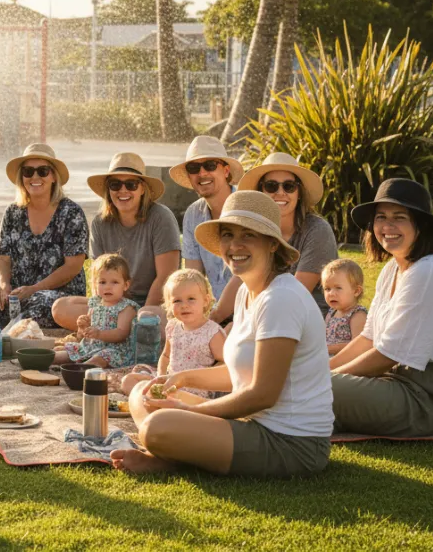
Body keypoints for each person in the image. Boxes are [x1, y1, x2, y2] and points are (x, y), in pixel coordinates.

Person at [112, 191, 333, 477]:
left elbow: (263, 395)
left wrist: (186, 411)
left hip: (290, 442)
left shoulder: (281, 299)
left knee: (157, 426)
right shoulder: (246, 291)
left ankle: (168, 458)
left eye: (248, 235)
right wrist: (182, 378)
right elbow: (240, 375)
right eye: (227, 234)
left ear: (271, 244)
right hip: (251, 423)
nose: (234, 245)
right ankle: (173, 451)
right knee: (142, 392)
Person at [330, 178, 433, 437]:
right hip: (395, 382)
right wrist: (325, 368)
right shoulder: (392, 269)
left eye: (399, 217)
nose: (387, 226)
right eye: (380, 217)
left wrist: (324, 379)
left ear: (419, 226)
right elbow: (368, 338)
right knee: (312, 379)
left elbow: (388, 355)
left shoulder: (429, 271)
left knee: (318, 389)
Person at [0, 144, 88, 328]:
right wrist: (4, 286)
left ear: (53, 177)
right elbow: (1, 259)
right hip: (16, 290)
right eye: (28, 171)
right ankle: (9, 326)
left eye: (43, 171)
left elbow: (73, 267)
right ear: (22, 178)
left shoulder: (71, 213)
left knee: (41, 306)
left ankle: (9, 327)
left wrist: (35, 289)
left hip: (56, 292)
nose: (35, 177)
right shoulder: (13, 212)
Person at [52, 152, 180, 331]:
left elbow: (166, 277)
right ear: (108, 190)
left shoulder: (161, 217)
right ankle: (119, 331)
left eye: (131, 184)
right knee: (61, 307)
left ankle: (121, 331)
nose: (123, 190)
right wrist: (103, 311)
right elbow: (98, 276)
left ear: (143, 189)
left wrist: (140, 315)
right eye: (115, 184)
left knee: (158, 320)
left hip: (153, 304)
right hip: (113, 302)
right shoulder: (100, 223)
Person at [238, 152, 338, 315]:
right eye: (271, 186)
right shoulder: (255, 230)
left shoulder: (317, 230)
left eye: (289, 186)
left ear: (299, 193)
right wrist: (217, 317)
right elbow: (240, 281)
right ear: (260, 192)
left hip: (312, 318)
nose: (280, 192)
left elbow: (295, 294)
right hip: (266, 312)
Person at [171, 136, 244, 323]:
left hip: (249, 310)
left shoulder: (246, 207)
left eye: (210, 165)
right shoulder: (193, 214)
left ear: (226, 171)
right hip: (213, 312)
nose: (202, 173)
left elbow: (247, 276)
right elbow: (193, 279)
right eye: (194, 168)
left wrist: (212, 320)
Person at [122, 269, 225, 398]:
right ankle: (150, 398)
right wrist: (160, 375)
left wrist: (203, 376)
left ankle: (151, 401)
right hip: (169, 379)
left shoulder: (212, 332)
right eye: (177, 301)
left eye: (191, 299)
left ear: (205, 300)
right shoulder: (172, 326)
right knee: (128, 381)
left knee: (175, 397)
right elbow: (165, 356)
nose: (184, 305)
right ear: (169, 304)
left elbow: (224, 364)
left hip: (194, 388)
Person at [54, 254, 138, 368]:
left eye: (114, 282)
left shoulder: (126, 308)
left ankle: (80, 369)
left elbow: (121, 334)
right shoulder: (95, 303)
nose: (108, 287)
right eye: (102, 282)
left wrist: (99, 334)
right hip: (92, 346)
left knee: (100, 358)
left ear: (126, 285)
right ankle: (44, 358)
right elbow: (84, 335)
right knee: (67, 352)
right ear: (95, 284)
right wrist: (83, 327)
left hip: (115, 351)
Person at [321, 259, 367, 355]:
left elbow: (358, 345)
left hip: (345, 361)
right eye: (327, 289)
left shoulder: (357, 315)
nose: (331, 293)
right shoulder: (332, 312)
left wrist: (330, 348)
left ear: (356, 291)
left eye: (338, 288)